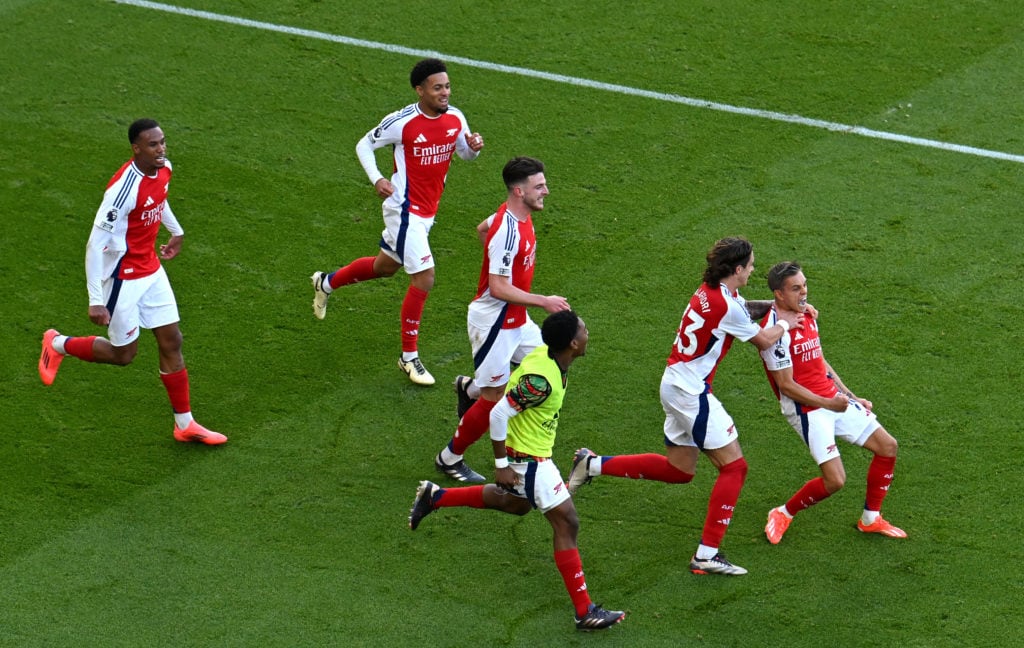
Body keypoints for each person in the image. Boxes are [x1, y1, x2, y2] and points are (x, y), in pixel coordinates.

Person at [566, 237, 799, 576]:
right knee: (735, 468)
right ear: (736, 269)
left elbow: (742, 310)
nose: (752, 269)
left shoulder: (711, 291)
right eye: (749, 265)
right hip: (691, 392)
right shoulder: (727, 305)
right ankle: (707, 554)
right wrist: (784, 323)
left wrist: (777, 306)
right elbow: (763, 339)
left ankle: (591, 464)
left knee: (680, 470)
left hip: (675, 383)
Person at [409, 310, 625, 631]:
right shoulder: (540, 381)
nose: (587, 332)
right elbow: (498, 414)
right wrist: (502, 466)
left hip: (532, 454)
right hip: (529, 461)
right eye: (583, 329)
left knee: (514, 504)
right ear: (573, 343)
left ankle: (436, 496)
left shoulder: (546, 354)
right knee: (567, 522)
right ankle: (585, 611)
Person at [37, 118, 225, 445]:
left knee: (172, 340)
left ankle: (185, 424)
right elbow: (95, 245)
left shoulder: (164, 168)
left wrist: (176, 230)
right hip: (121, 277)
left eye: (163, 141)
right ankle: (56, 344)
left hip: (151, 270)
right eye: (153, 145)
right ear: (136, 149)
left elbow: (158, 200)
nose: (161, 149)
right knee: (124, 355)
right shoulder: (122, 190)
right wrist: (95, 298)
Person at [310, 57, 484, 386]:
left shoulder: (455, 117)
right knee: (425, 278)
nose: (444, 93)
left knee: (384, 267)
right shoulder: (402, 122)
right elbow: (364, 144)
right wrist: (377, 179)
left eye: (447, 86)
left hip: (427, 212)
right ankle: (409, 357)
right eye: (437, 88)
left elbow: (463, 154)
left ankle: (326, 282)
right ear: (420, 91)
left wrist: (473, 147)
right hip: (403, 209)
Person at [433, 156, 570, 483]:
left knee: (550, 363)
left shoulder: (511, 215)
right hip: (494, 323)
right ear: (519, 191)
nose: (546, 191)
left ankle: (471, 389)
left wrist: (500, 264)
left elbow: (483, 229)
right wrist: (543, 301)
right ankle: (449, 458)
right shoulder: (508, 231)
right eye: (539, 186)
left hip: (516, 319)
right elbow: (496, 287)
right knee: (495, 399)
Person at [758, 261, 906, 544]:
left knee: (888, 446)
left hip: (831, 399)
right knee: (835, 481)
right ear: (779, 293)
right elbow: (786, 385)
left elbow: (820, 363)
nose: (804, 293)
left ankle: (870, 519)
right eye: (796, 288)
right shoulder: (775, 334)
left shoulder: (807, 315)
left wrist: (850, 397)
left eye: (804, 285)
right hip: (807, 409)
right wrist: (829, 404)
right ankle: (783, 512)